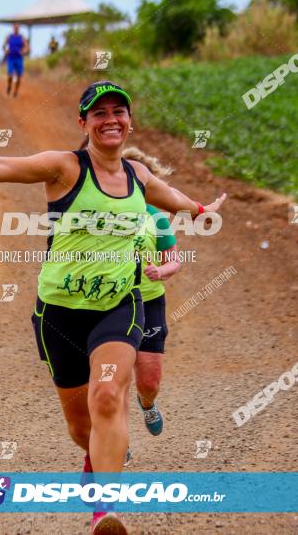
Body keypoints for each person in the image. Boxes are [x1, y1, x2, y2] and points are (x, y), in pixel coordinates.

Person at [0, 80, 226, 535]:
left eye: (118, 112)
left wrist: (199, 207)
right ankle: (94, 459)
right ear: (83, 123)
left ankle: (104, 511)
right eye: (99, 113)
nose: (111, 120)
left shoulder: (137, 176)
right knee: (80, 426)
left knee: (108, 396)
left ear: (129, 122)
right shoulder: (64, 167)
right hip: (59, 313)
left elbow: (166, 195)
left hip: (118, 307)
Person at [121, 148, 180, 438]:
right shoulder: (103, 213)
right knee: (112, 379)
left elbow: (175, 261)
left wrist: (161, 271)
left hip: (149, 301)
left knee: (149, 382)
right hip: (111, 301)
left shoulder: (156, 217)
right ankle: (114, 440)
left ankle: (147, 404)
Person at [3, 23, 28, 97]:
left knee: (19, 77)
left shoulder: (22, 37)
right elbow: (4, 45)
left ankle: (16, 92)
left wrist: (24, 51)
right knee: (10, 75)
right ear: (13, 28)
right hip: (11, 58)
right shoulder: (9, 37)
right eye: (15, 27)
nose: (16, 29)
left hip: (19, 58)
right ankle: (9, 86)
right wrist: (5, 50)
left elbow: (27, 47)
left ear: (19, 28)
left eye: (17, 28)